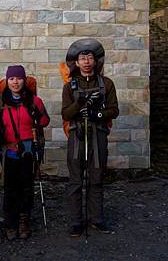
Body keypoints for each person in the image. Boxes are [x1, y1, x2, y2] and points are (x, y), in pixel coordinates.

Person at [61, 39, 119, 237]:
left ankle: (97, 218)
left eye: (89, 57)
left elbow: (114, 110)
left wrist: (98, 114)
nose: (86, 61)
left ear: (95, 61)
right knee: (76, 180)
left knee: (97, 177)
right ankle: (76, 221)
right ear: (76, 63)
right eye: (82, 58)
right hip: (77, 135)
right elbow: (66, 114)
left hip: (98, 134)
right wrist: (79, 104)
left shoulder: (107, 84)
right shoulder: (70, 86)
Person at [0, 65, 50, 240]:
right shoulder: (0, 103)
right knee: (10, 188)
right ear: (7, 81)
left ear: (24, 80)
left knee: (26, 187)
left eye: (18, 78)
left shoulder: (35, 101)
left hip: (29, 149)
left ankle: (23, 221)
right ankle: (11, 222)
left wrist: (36, 118)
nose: (15, 82)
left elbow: (45, 120)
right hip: (9, 149)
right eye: (11, 79)